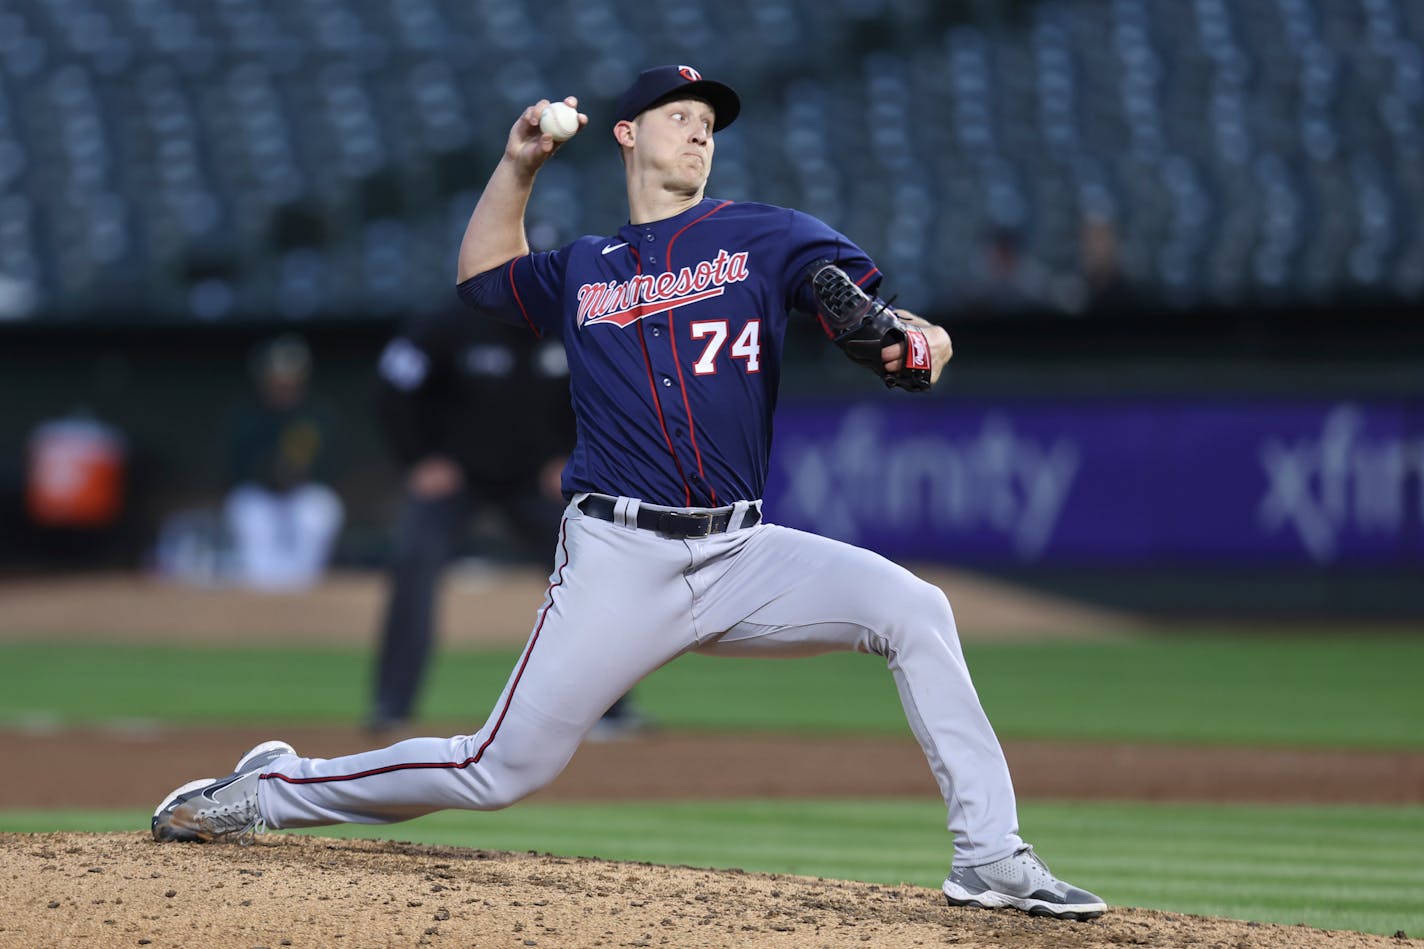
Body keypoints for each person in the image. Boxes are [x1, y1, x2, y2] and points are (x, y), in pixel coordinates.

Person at [152, 65, 1106, 921]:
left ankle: (989, 856)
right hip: (618, 556)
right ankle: (272, 789)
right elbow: (480, 278)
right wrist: (518, 163)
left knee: (914, 608)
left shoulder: (762, 234)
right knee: (499, 768)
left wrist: (914, 338)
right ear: (626, 135)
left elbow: (856, 303)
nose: (700, 132)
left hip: (742, 551)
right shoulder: (586, 269)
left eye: (709, 121)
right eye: (680, 115)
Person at [370, 308, 644, 737]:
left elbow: (606, 401)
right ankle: (391, 706)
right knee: (415, 560)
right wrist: (418, 459)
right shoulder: (445, 322)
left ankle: (611, 708)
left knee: (592, 566)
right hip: (455, 476)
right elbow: (392, 389)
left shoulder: (571, 324)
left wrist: (573, 459)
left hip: (534, 480)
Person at [222, 333, 344, 592]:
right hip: (260, 496)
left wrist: (298, 474)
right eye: (277, 375)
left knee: (320, 509)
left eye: (290, 375)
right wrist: (267, 472)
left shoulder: (317, 415)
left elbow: (330, 466)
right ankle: (263, 596)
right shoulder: (246, 416)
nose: (283, 382)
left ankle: (303, 592)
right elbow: (234, 467)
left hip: (301, 495)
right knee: (248, 511)